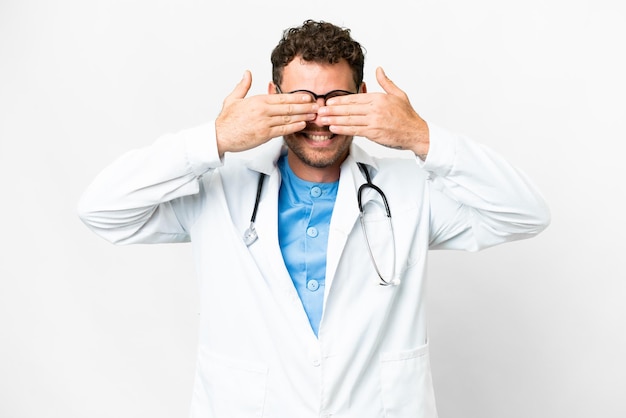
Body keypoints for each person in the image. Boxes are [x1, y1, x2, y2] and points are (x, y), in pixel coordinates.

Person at [78, 19, 550, 418]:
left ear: (364, 97)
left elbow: (526, 214)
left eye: (338, 99)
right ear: (271, 97)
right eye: (301, 99)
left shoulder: (406, 190)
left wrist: (420, 136)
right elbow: (102, 209)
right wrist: (214, 139)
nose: (320, 118)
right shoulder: (219, 187)